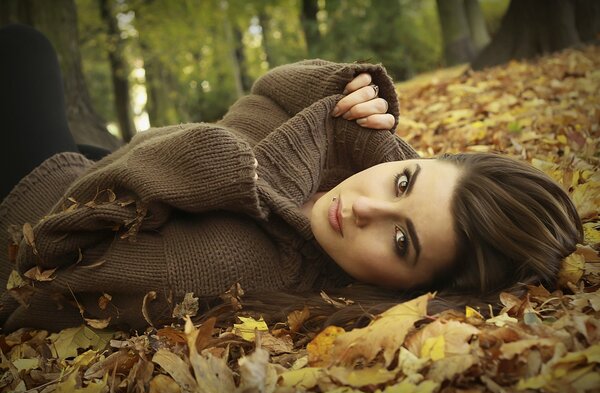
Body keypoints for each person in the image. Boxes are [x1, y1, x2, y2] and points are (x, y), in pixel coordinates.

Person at [0, 24, 582, 332]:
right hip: (98, 160)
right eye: (403, 183)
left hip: (29, 206)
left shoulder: (233, 267)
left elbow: (51, 261)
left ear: (411, 290)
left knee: (23, 50)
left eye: (401, 241)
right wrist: (343, 91)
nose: (365, 209)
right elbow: (264, 96)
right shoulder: (357, 155)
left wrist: (224, 164)